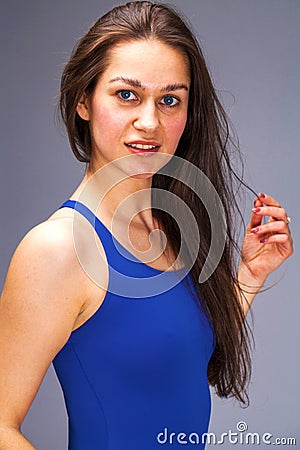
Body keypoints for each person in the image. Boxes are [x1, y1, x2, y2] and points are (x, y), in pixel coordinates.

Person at [0, 1, 293, 449]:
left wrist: (249, 277)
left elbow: (172, 362)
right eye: (127, 95)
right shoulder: (59, 248)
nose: (150, 121)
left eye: (170, 100)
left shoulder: (170, 227)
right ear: (83, 100)